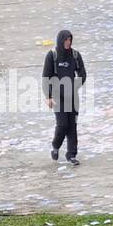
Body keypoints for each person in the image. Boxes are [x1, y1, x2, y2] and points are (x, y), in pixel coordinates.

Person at [42, 29, 87, 166]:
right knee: (63, 124)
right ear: (60, 40)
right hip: (57, 96)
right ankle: (55, 146)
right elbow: (46, 77)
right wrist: (48, 96)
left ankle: (71, 155)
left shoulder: (75, 55)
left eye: (70, 40)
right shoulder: (52, 55)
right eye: (65, 40)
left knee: (72, 125)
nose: (68, 42)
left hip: (72, 96)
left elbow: (82, 73)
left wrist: (76, 86)